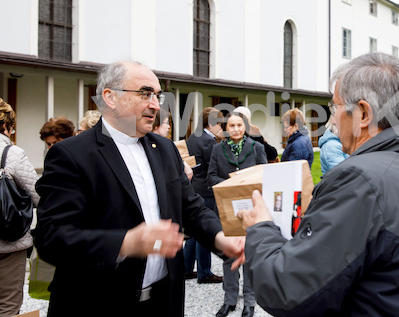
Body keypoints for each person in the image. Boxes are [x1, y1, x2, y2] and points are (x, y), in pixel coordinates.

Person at [238, 53, 399, 317]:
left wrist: (261, 230)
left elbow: (289, 292)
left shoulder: (360, 179)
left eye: (335, 108)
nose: (332, 120)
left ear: (363, 113)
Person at [34, 61, 244, 317]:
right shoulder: (71, 155)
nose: (156, 104)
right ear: (110, 97)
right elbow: (51, 238)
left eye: (157, 95)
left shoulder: (165, 149)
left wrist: (220, 238)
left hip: (162, 302)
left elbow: (191, 208)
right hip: (98, 304)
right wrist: (125, 243)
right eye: (145, 94)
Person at [207, 112, 268, 317]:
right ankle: (229, 299)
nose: (235, 129)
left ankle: (249, 302)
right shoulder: (217, 149)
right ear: (227, 128)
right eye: (231, 125)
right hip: (227, 210)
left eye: (239, 125)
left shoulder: (257, 148)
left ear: (245, 126)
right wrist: (230, 186)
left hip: (251, 208)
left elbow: (264, 175)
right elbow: (211, 177)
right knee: (229, 255)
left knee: (249, 254)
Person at [0, 98, 40, 316]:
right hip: (9, 242)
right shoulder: (12, 154)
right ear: (6, 125)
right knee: (7, 305)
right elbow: (40, 196)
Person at [184, 107, 224, 284]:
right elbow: (213, 166)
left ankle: (186, 268)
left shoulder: (193, 137)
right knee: (204, 230)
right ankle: (204, 272)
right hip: (207, 188)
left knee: (193, 232)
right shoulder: (209, 141)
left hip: (194, 186)